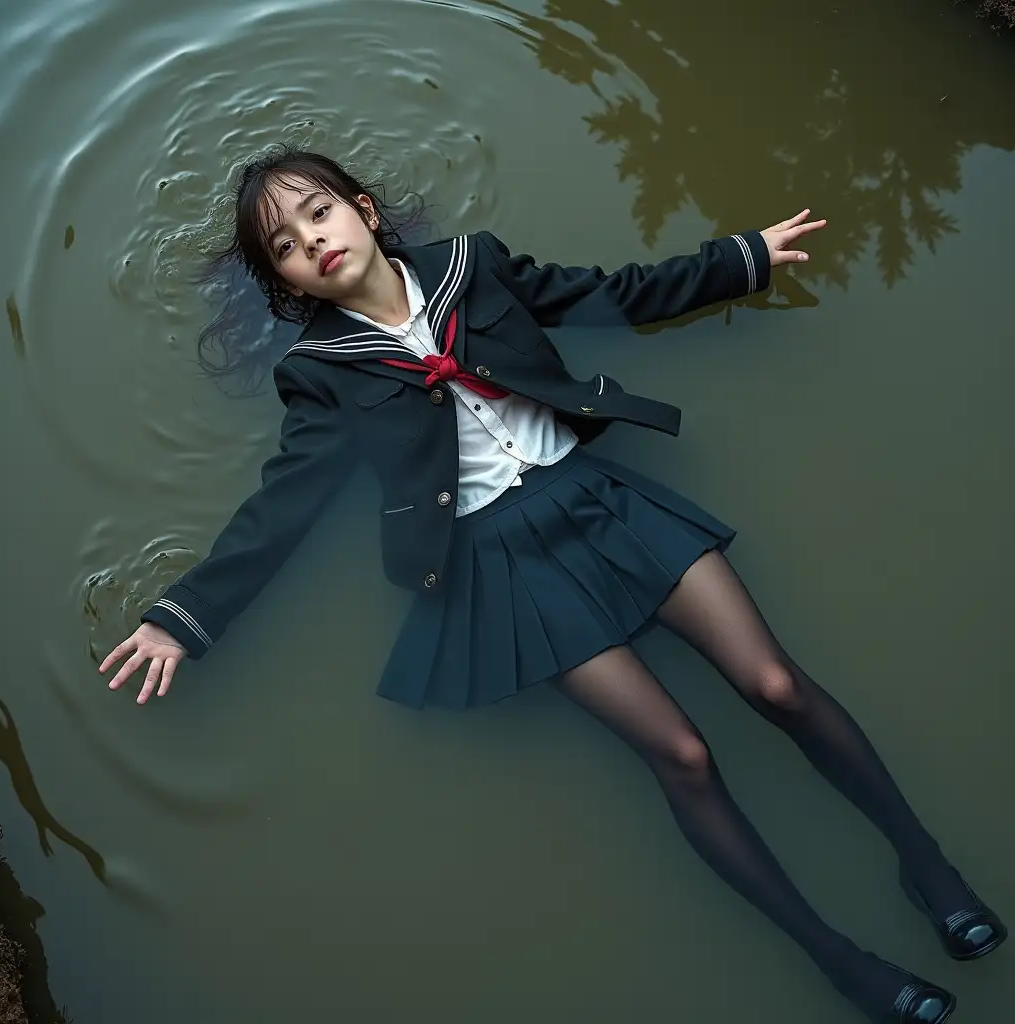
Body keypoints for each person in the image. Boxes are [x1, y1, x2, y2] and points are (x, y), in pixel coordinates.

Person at [99, 145, 1004, 1022]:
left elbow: (612, 295)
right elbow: (283, 508)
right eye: (287, 247)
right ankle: (839, 960)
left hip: (599, 499)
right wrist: (183, 620)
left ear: (363, 211)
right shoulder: (317, 376)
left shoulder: (473, 265)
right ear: (289, 284)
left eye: (319, 211)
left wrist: (741, 260)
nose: (313, 240)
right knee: (683, 756)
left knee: (774, 684)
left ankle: (926, 866)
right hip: (501, 563)